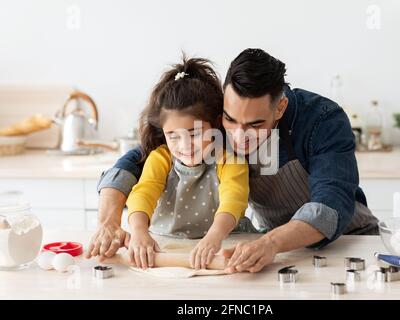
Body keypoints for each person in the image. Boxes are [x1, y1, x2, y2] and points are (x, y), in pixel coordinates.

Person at [87, 48, 379, 273]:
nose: (238, 136)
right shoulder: (211, 127)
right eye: (230, 119)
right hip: (273, 248)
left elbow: (329, 206)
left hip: (350, 242)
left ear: (280, 108)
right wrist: (109, 222)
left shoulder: (322, 121)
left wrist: (272, 242)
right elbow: (134, 162)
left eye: (254, 124)